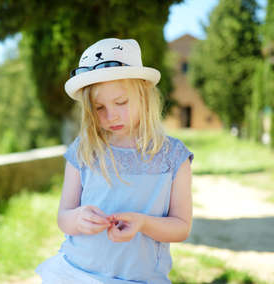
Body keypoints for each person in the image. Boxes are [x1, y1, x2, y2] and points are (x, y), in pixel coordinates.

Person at [35, 38, 194, 284]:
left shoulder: (173, 156)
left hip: (140, 279)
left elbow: (181, 227)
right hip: (77, 274)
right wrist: (78, 219)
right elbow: (63, 217)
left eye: (121, 102)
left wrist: (142, 223)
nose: (111, 115)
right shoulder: (84, 150)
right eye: (99, 108)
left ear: (144, 95)